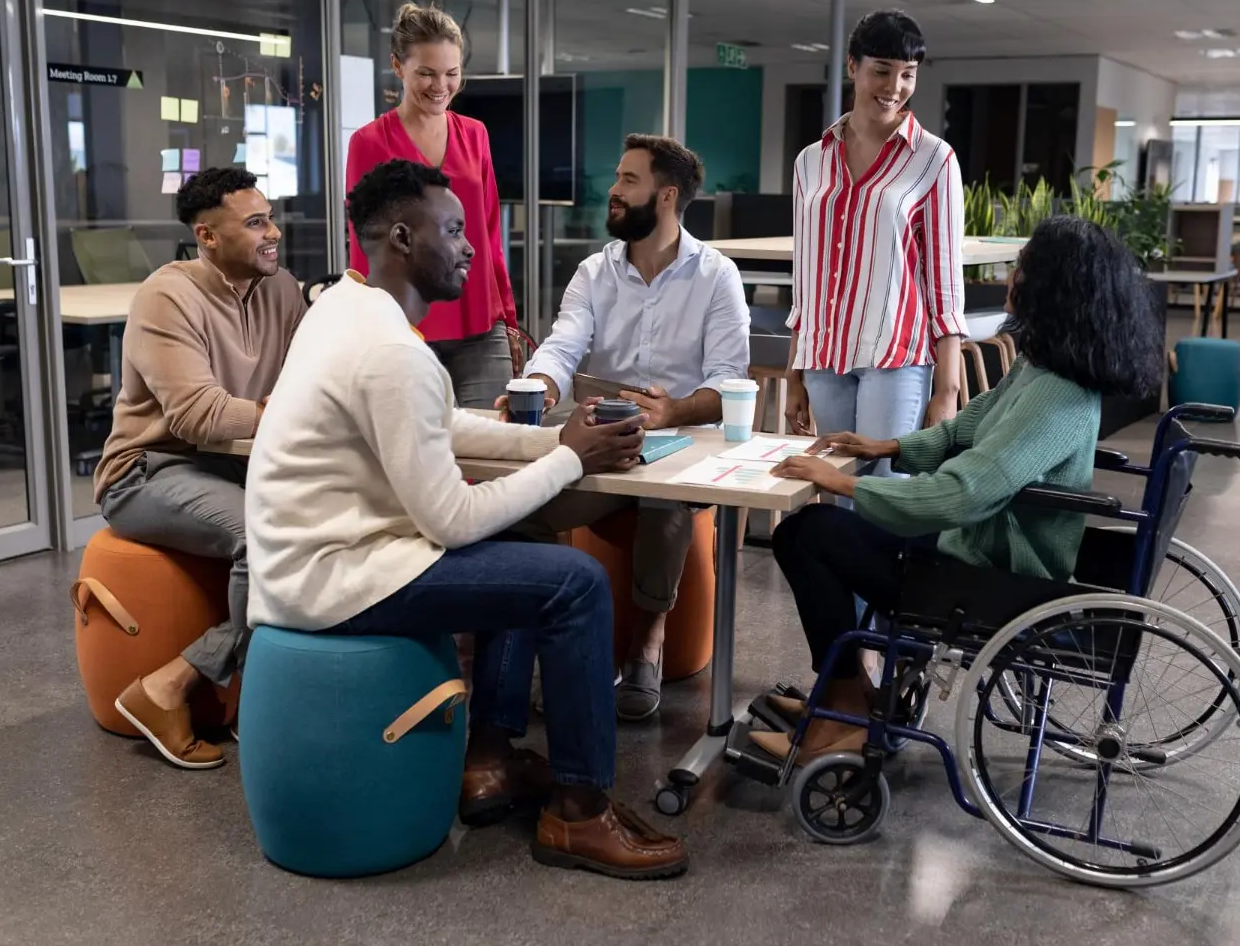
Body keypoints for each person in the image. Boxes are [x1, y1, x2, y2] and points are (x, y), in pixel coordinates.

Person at [245, 158, 690, 880]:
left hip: (307, 562)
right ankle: (579, 814)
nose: (470, 246)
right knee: (573, 584)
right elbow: (450, 519)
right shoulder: (392, 351)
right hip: (337, 580)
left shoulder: (343, 309)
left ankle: (488, 761)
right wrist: (570, 461)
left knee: (519, 542)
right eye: (452, 230)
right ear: (400, 238)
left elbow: (440, 426)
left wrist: (554, 439)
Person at [751, 216, 1162, 763]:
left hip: (992, 580)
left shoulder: (1056, 396)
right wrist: (890, 449)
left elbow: (965, 493)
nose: (1012, 277)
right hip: (977, 550)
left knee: (806, 536)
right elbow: (967, 429)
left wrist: (843, 481)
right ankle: (844, 698)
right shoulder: (1043, 370)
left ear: (1051, 287)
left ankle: (844, 713)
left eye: (1022, 267)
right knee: (815, 532)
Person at [504, 134, 750, 720]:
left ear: (666, 197)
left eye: (628, 180)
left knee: (666, 503)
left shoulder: (716, 276)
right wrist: (536, 389)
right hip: (600, 436)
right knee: (516, 509)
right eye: (617, 177)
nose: (613, 190)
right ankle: (555, 634)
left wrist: (675, 411)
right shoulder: (595, 271)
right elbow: (562, 348)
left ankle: (647, 643)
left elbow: (726, 383)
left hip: (680, 443)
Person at [94, 166, 307, 769]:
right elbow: (196, 417)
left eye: (271, 217)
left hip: (234, 465)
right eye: (256, 222)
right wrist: (286, 412)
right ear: (207, 235)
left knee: (331, 520)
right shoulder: (167, 294)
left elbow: (305, 387)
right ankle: (171, 687)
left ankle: (239, 689)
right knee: (259, 536)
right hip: (148, 470)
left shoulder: (282, 289)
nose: (274, 233)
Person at [785, 8, 966, 472]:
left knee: (882, 494)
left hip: (897, 355)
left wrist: (946, 392)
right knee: (831, 493)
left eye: (907, 75)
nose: (894, 88)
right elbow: (805, 278)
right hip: (825, 355)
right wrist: (794, 372)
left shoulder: (933, 159)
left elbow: (945, 286)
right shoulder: (810, 161)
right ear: (853, 67)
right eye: (881, 71)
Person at [345, 2, 517, 408]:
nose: (440, 85)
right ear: (397, 66)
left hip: (479, 322)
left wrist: (507, 318)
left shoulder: (475, 134)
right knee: (417, 459)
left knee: (496, 452)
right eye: (426, 72)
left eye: (451, 73)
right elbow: (361, 245)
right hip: (404, 328)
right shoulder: (369, 142)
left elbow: (489, 232)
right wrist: (365, 327)